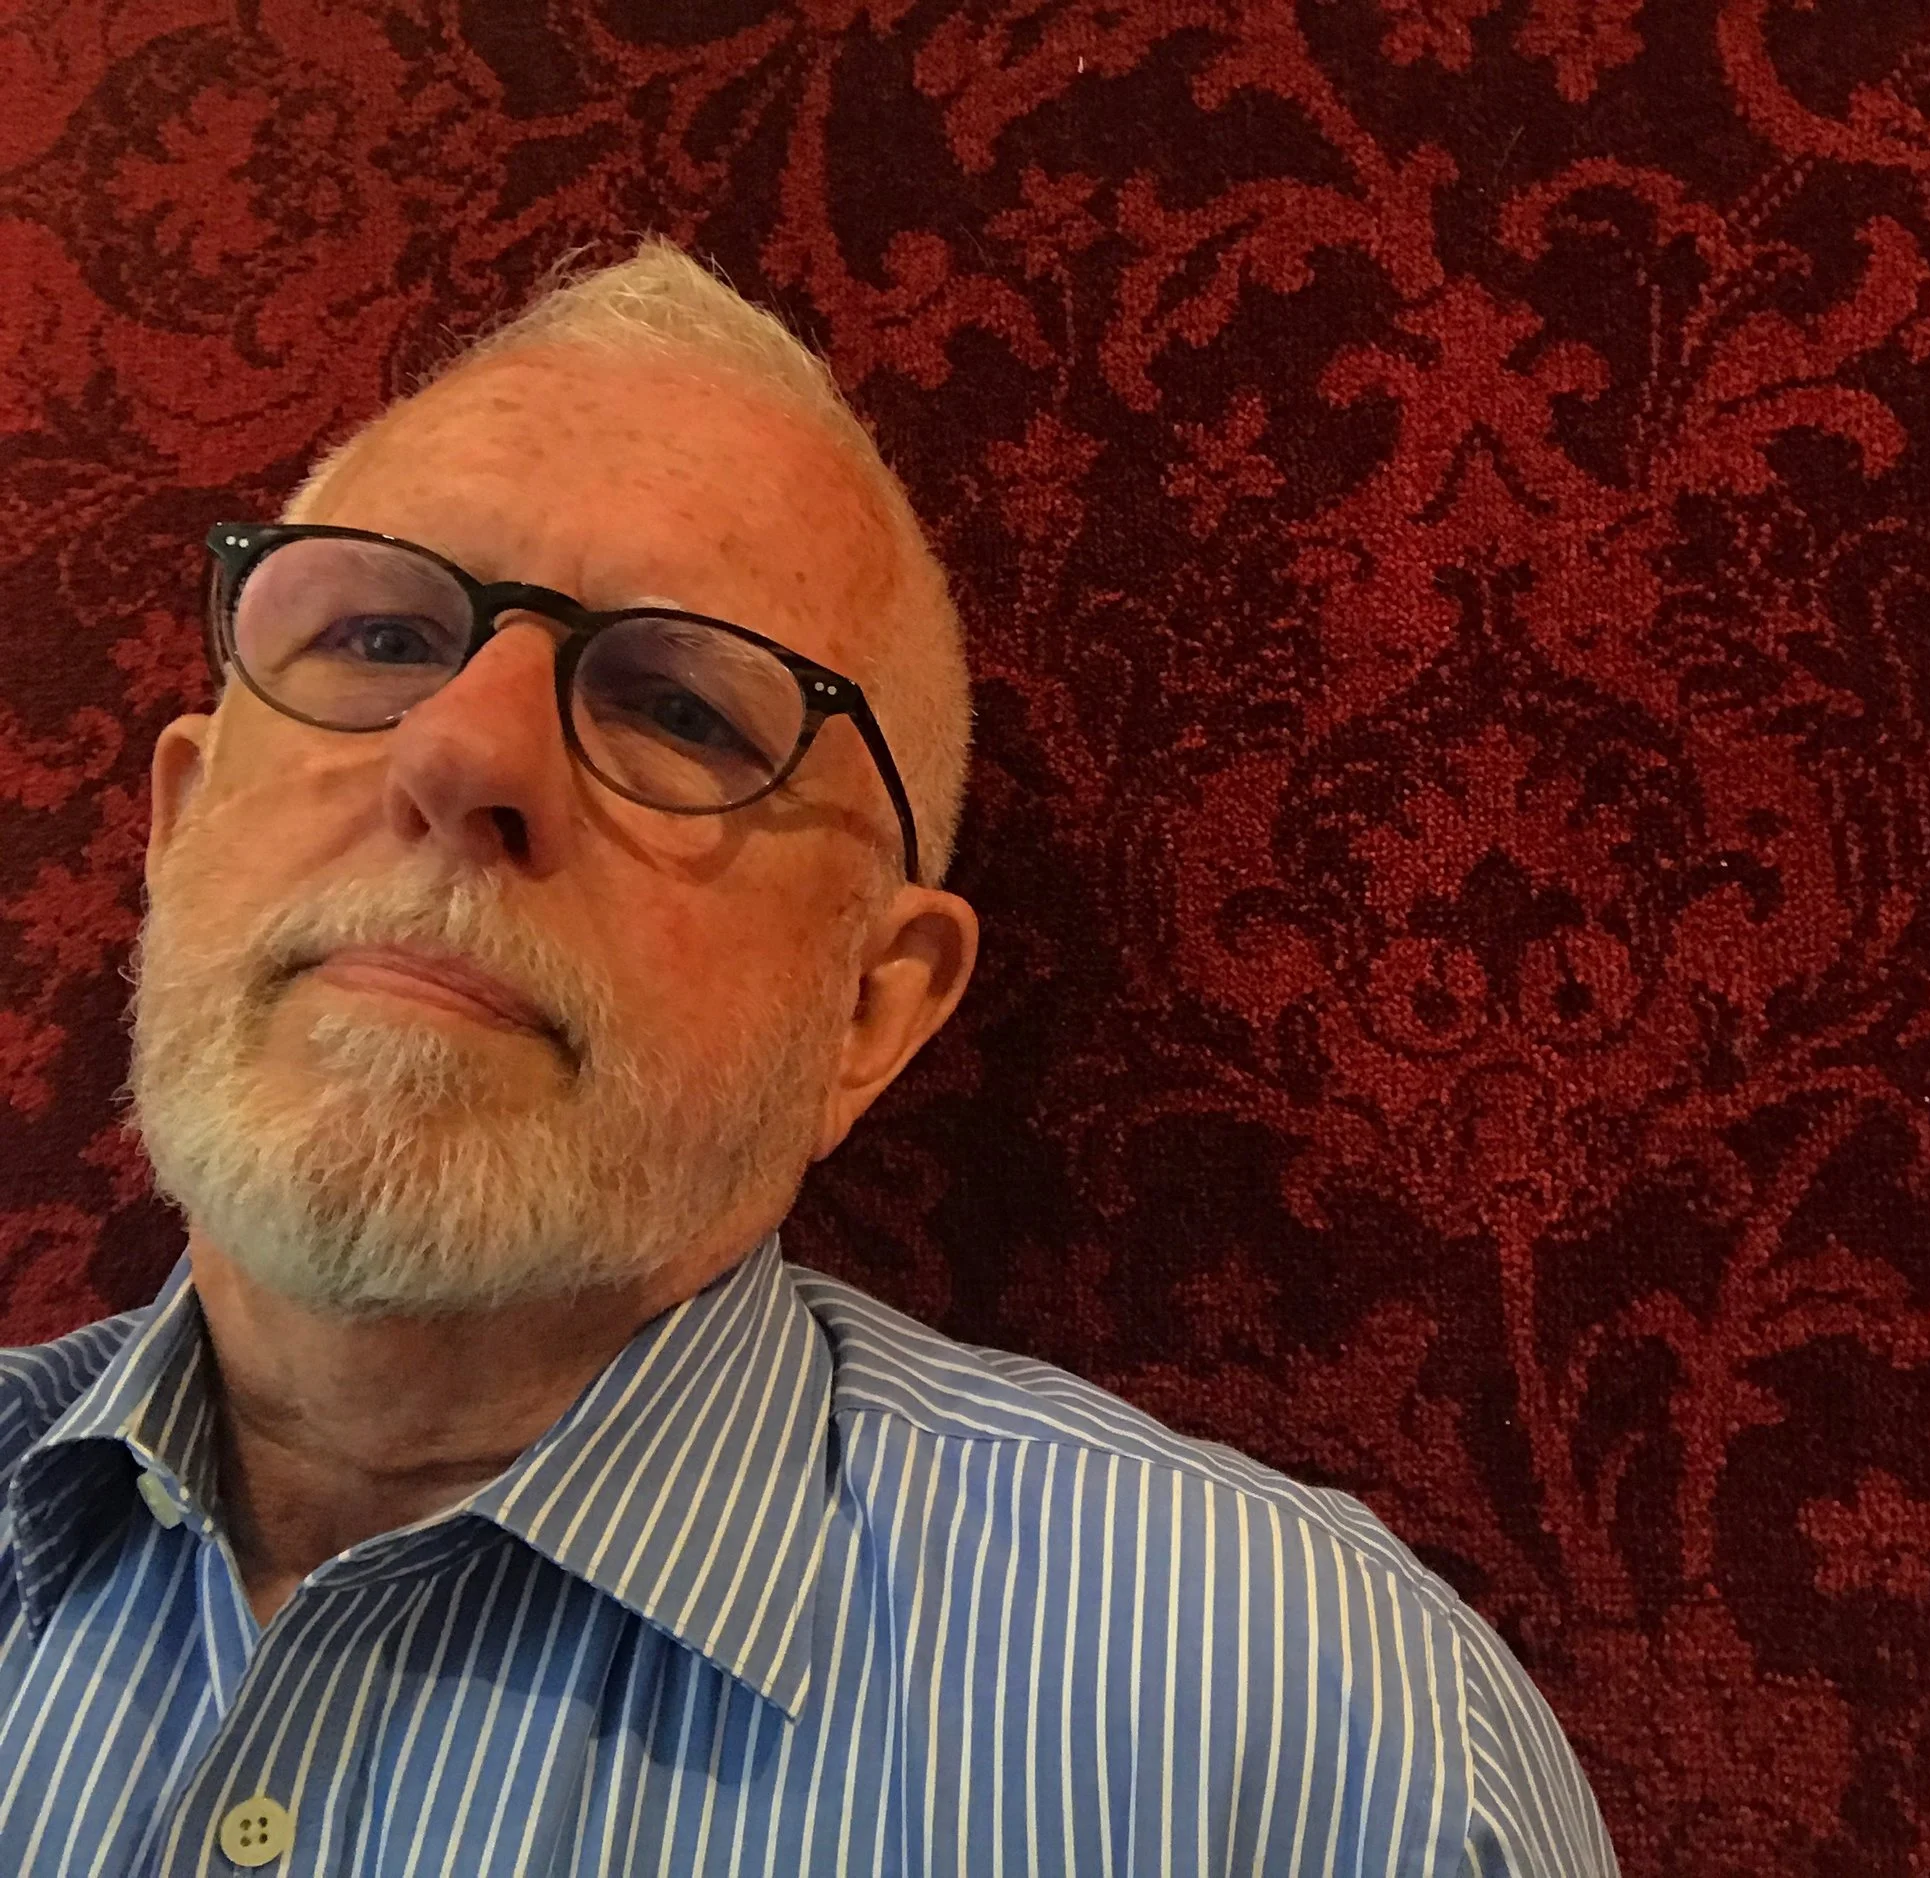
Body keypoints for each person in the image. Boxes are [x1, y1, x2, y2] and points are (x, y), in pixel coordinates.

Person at [0, 240, 1616, 1875]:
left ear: (871, 1012)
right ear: (181, 829)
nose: (461, 748)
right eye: (377, 637)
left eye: (682, 712)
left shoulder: (1318, 1744)